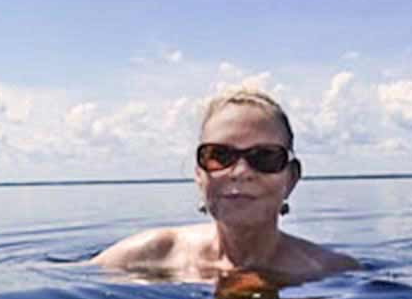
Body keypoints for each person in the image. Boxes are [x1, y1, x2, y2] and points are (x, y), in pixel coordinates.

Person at [93, 89, 357, 283]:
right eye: (219, 156)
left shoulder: (331, 272)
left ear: (291, 179)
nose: (240, 172)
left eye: (264, 157)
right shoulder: (148, 254)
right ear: (199, 175)